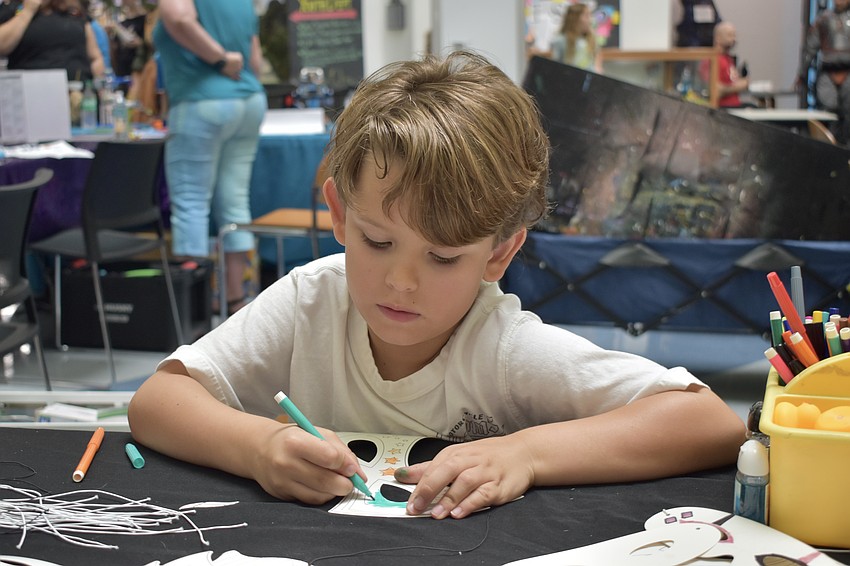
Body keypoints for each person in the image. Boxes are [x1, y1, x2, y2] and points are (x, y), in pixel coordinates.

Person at [128, 51, 745, 520]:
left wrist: (527, 454)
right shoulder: (309, 302)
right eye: (377, 242)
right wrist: (258, 446)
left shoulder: (500, 347)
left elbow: (708, 422)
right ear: (339, 214)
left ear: (499, 253)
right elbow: (156, 401)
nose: (401, 281)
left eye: (444, 257)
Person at [154, 0, 267, 314]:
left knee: (191, 202)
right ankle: (236, 301)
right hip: (249, 100)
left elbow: (178, 18)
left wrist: (220, 60)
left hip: (201, 102)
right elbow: (255, 61)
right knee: (235, 203)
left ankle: (195, 313)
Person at [0, 0, 104, 82]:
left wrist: (98, 84)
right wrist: (28, 11)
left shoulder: (73, 12)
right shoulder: (14, 9)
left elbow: (95, 57)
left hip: (77, 94)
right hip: (32, 91)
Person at [800, 0, 850, 144]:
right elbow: (810, 48)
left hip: (848, 72)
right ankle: (828, 148)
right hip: (828, 72)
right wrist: (802, 73)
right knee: (827, 111)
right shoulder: (823, 19)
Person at [699, 21, 748, 108]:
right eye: (730, 35)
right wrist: (739, 86)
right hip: (723, 108)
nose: (734, 39)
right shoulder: (711, 60)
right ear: (718, 38)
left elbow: (731, 81)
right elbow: (715, 91)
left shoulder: (728, 59)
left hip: (736, 104)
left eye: (734, 35)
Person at [546, 3, 602, 73]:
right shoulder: (560, 40)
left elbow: (597, 67)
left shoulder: (591, 40)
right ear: (575, 18)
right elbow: (554, 67)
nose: (590, 20)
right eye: (587, 16)